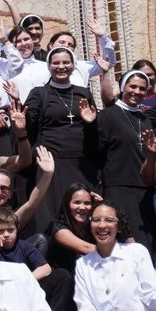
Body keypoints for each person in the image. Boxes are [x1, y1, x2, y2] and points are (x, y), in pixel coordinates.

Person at [23, 45, 99, 226]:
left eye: (66, 62)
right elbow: (28, 125)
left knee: (80, 209)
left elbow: (94, 132)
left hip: (80, 162)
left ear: (73, 65)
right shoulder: (39, 93)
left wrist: (91, 122)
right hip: (51, 159)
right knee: (53, 209)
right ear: (49, 66)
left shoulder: (83, 93)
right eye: (56, 63)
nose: (61, 66)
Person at [97, 70, 156, 249]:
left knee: (148, 243)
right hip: (118, 188)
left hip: (144, 190)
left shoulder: (145, 119)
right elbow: (97, 153)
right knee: (125, 242)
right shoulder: (107, 116)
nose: (137, 91)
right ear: (123, 87)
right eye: (132, 86)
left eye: (142, 89)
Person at [43, 184, 100, 311]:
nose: (82, 207)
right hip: (61, 291)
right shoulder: (57, 227)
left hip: (84, 290)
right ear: (67, 204)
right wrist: (120, 254)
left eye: (87, 203)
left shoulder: (92, 229)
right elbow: (86, 248)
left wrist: (103, 209)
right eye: (77, 202)